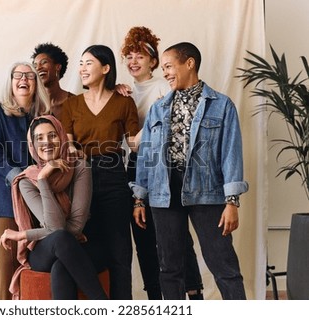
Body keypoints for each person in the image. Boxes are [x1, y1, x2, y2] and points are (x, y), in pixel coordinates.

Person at [133, 42, 248, 300]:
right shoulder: (158, 108)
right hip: (164, 190)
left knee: (223, 264)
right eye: (163, 69)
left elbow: (231, 154)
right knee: (170, 267)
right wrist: (140, 196)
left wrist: (232, 201)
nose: (166, 73)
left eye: (169, 66)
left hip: (207, 190)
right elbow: (147, 156)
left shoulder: (221, 105)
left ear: (190, 63)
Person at [119, 26, 204, 300]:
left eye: (140, 56)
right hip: (137, 165)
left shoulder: (165, 86)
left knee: (175, 233)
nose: (134, 61)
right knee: (143, 233)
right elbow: (131, 143)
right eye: (129, 56)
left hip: (165, 166)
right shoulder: (124, 91)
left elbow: (155, 131)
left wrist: (137, 139)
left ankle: (193, 291)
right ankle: (156, 296)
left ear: (153, 61)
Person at [0, 115, 108, 300]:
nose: (47, 142)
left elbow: (74, 227)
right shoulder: (27, 180)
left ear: (62, 137)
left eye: (52, 135)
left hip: (81, 243)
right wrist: (42, 179)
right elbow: (57, 228)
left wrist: (23, 235)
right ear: (32, 145)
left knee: (61, 267)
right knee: (60, 238)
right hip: (44, 250)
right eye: (39, 138)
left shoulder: (80, 167)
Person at [61, 44, 139, 300]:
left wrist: (160, 112)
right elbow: (68, 146)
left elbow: (135, 144)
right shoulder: (71, 105)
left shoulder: (124, 102)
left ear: (106, 68)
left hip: (114, 176)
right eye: (81, 63)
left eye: (89, 63)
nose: (82, 69)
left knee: (120, 250)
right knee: (87, 245)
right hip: (82, 176)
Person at [0, 62, 50, 299]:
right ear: (11, 81)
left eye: (30, 76)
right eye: (18, 75)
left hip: (40, 197)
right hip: (4, 199)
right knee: (6, 263)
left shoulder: (44, 116)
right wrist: (18, 178)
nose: (24, 79)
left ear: (36, 83)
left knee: (35, 262)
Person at [31, 43, 75, 119]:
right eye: (35, 66)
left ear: (58, 67)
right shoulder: (31, 104)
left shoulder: (75, 102)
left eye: (44, 62)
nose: (38, 68)